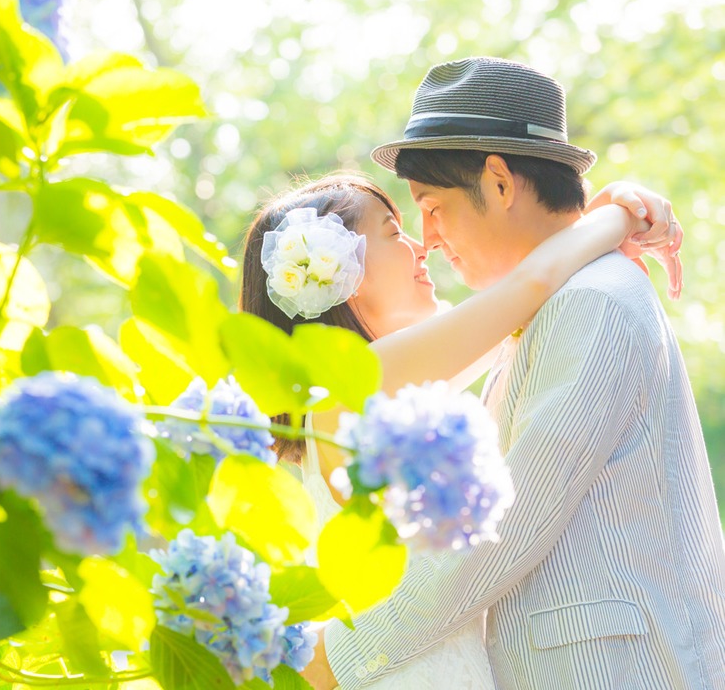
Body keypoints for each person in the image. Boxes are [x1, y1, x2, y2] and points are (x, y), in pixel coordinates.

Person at [287, 56, 725, 690]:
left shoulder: (591, 300)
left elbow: (506, 525)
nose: (428, 239)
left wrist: (339, 657)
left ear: (498, 181)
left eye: (432, 208)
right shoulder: (544, 307)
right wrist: (617, 214)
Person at [241, 166, 678, 689]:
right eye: (393, 233)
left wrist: (593, 219)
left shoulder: (353, 394)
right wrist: (621, 216)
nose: (421, 248)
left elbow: (521, 310)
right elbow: (530, 285)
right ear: (341, 272)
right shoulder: (359, 383)